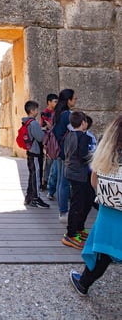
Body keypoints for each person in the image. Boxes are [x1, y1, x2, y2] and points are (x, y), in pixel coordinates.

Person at [69, 115, 122, 296]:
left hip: (109, 213)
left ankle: (83, 283)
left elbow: (94, 183)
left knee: (102, 253)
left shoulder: (106, 157)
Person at [62, 111, 93, 249]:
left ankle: (78, 228)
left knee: (85, 199)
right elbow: (83, 156)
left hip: (71, 171)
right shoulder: (84, 138)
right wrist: (95, 157)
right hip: (79, 174)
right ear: (83, 123)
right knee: (77, 204)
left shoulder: (69, 135)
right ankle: (71, 234)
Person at [53, 89, 77, 223]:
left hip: (59, 149)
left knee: (60, 181)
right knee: (64, 183)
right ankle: (63, 212)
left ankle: (61, 210)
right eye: (74, 99)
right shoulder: (67, 114)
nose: (75, 101)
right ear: (68, 100)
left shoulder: (58, 113)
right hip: (66, 151)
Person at [22, 101, 50, 208]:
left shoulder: (26, 122)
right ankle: (36, 198)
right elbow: (40, 137)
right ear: (32, 111)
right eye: (36, 109)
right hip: (35, 152)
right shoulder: (33, 123)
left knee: (32, 175)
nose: (37, 112)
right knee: (37, 176)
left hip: (30, 152)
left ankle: (29, 197)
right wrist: (45, 131)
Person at [40, 93, 58, 197]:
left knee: (51, 163)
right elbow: (44, 126)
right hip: (49, 140)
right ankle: (45, 182)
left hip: (53, 140)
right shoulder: (45, 113)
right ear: (49, 102)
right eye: (55, 101)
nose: (56, 103)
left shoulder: (56, 112)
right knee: (48, 163)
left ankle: (48, 183)